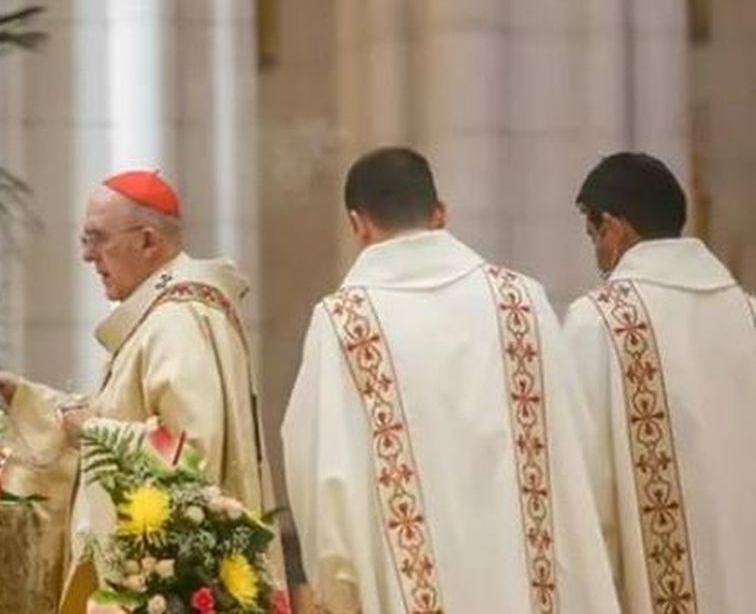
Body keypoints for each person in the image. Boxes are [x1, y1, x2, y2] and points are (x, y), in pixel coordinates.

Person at [281, 147, 619, 614]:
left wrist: (337, 594)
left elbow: (323, 480)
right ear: (440, 214)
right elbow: (582, 454)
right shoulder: (522, 302)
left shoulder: (343, 323)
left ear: (358, 225)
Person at [0, 170, 278, 612]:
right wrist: (31, 402)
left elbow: (192, 451)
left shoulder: (178, 322)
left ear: (148, 242)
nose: (85, 255)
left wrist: (94, 432)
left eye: (96, 238)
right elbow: (125, 415)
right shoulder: (159, 317)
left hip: (163, 582)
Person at [563, 152, 756, 613]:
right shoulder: (749, 315)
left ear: (613, 227)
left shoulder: (600, 322)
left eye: (593, 236)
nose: (597, 252)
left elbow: (583, 485)